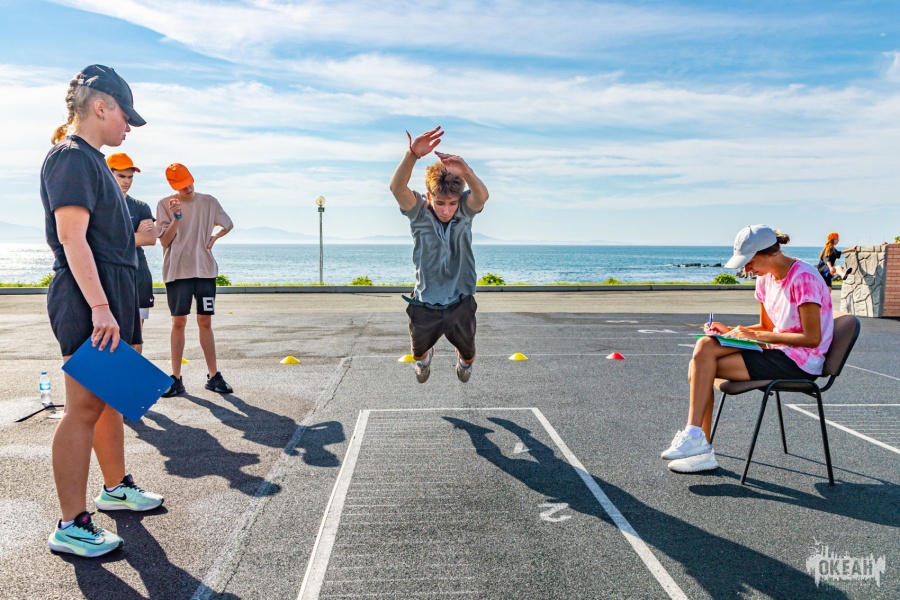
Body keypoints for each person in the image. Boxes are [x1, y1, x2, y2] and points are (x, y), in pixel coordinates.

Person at [41, 65, 163, 558]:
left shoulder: (94, 160)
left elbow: (110, 240)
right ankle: (70, 525)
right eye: (125, 115)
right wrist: (99, 307)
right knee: (83, 409)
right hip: (87, 297)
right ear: (100, 106)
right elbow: (72, 239)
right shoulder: (70, 157)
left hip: (116, 289)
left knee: (111, 398)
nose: (129, 125)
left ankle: (114, 488)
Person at [661, 225, 833, 473]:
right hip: (776, 351)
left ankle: (699, 446)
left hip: (801, 362)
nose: (747, 269)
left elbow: (812, 338)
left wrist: (754, 335)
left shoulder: (804, 277)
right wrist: (730, 331)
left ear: (771, 252)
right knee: (704, 348)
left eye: (750, 262)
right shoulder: (764, 279)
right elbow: (767, 326)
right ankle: (697, 440)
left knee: (700, 366)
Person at [389, 126, 489, 383]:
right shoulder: (419, 213)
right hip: (426, 303)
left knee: (469, 356)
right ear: (429, 196)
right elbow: (397, 188)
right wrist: (412, 155)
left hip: (460, 302)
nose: (446, 210)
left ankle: (463, 361)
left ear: (459, 200)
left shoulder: (465, 211)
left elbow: (482, 196)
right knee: (418, 354)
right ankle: (425, 358)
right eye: (440, 203)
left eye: (452, 203)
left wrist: (467, 172)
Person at [156, 163, 234, 397]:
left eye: (189, 182)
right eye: (181, 185)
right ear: (173, 186)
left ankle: (214, 376)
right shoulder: (164, 204)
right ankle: (175, 378)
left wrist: (214, 237)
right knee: (178, 322)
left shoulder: (209, 201)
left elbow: (228, 224)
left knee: (205, 321)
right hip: (177, 271)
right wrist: (177, 218)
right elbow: (164, 241)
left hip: (205, 270)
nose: (188, 188)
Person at [107, 152, 155, 342]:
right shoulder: (99, 204)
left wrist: (112, 239)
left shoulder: (140, 206)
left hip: (138, 271)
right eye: (121, 176)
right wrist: (135, 235)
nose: (127, 181)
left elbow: (150, 238)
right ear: (108, 173)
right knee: (111, 330)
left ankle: (134, 364)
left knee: (136, 334)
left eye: (130, 177)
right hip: (110, 273)